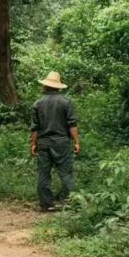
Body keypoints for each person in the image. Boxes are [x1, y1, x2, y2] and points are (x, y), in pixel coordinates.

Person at [30, 71, 80, 212]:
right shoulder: (66, 102)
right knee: (66, 174)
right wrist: (76, 141)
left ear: (45, 86)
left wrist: (33, 144)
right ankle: (69, 202)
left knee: (43, 174)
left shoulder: (38, 104)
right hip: (61, 143)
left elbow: (35, 127)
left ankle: (47, 204)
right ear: (58, 87)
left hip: (43, 143)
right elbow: (72, 124)